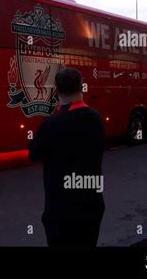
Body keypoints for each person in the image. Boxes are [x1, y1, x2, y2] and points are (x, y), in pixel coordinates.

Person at [29, 67, 105, 247]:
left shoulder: (52, 123)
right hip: (92, 203)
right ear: (81, 87)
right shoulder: (96, 118)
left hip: (61, 209)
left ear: (56, 90)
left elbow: (34, 153)